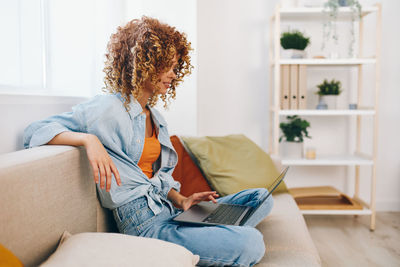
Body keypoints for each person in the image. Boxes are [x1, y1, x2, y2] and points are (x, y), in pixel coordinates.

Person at [23, 16, 274, 267]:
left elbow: (158, 178)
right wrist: (89, 140)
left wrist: (182, 200)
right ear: (144, 63)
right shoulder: (108, 108)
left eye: (177, 67)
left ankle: (205, 237)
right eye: (169, 66)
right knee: (251, 243)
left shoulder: (156, 117)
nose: (174, 75)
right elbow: (35, 131)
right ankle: (210, 242)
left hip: (171, 211)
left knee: (261, 198)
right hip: (144, 226)